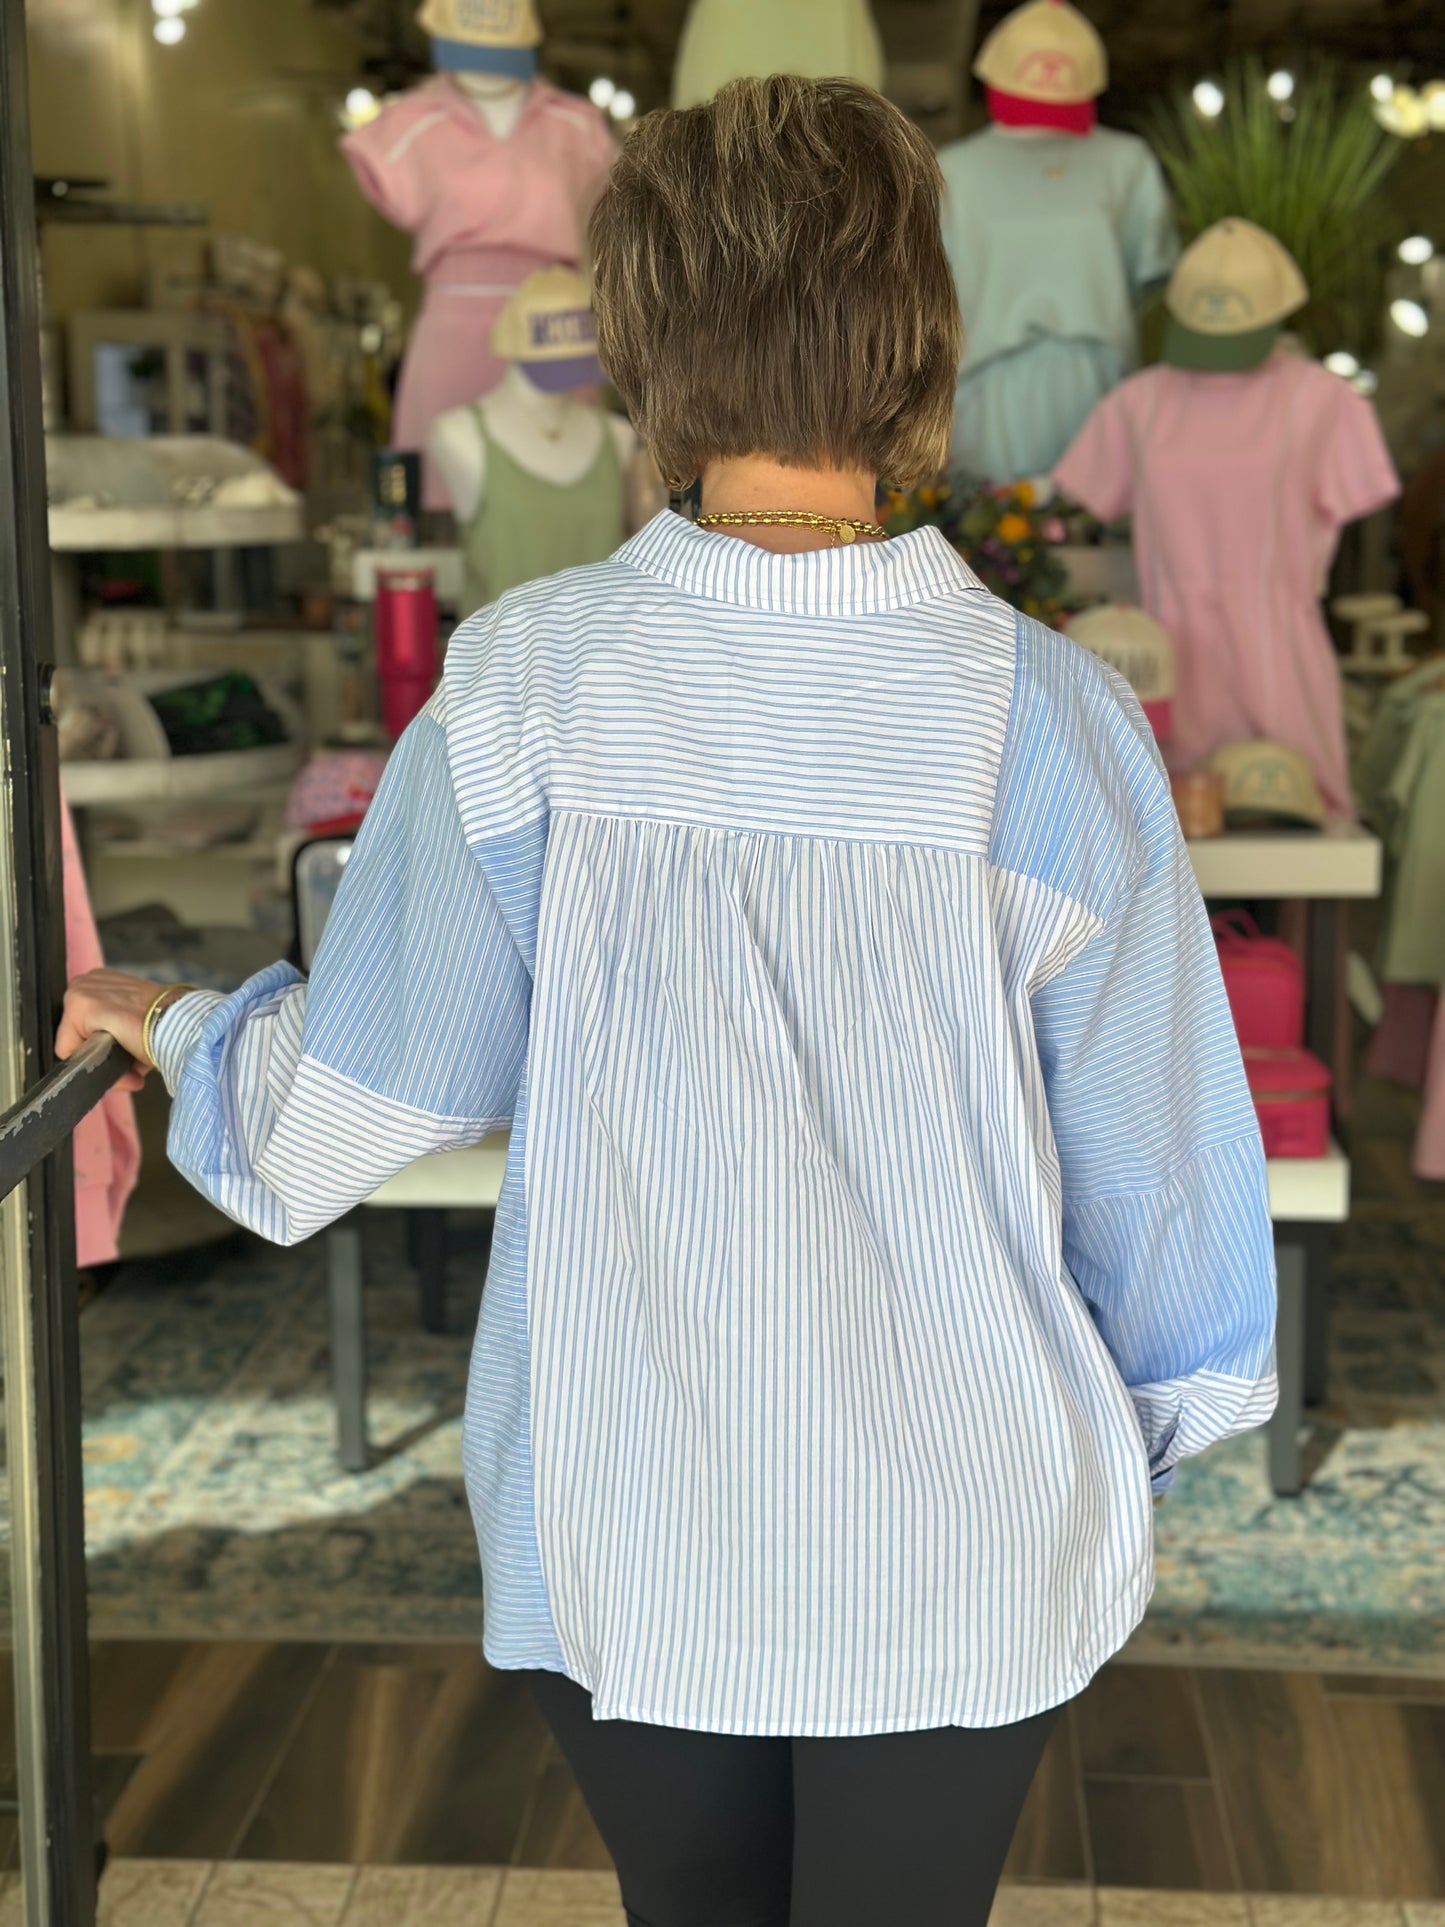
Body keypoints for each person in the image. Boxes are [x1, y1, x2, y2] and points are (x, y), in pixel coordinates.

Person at [61, 77, 1277, 1927]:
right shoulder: (1051, 720)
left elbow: (353, 1107)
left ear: (638, 337)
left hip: (639, 1519)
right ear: (917, 343)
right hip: (963, 1532)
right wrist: (1142, 1442)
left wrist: (193, 1030)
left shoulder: (531, 690)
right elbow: (1166, 1198)